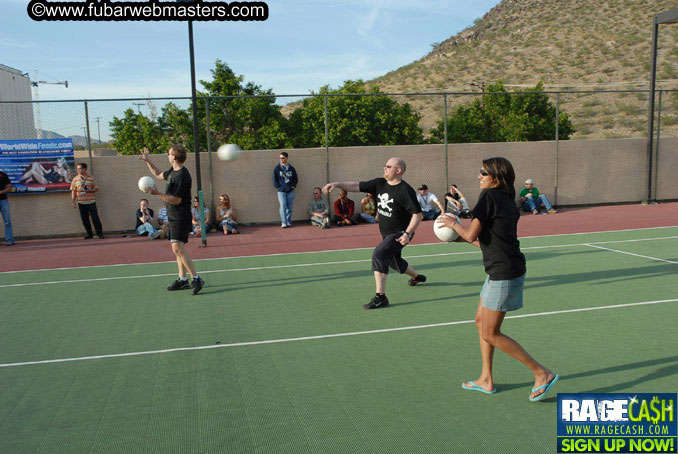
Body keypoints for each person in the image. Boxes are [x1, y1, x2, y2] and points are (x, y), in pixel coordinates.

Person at [437, 157, 558, 401]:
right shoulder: (507, 200)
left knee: (491, 333)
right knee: (480, 322)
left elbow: (471, 232)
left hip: (504, 272)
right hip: (502, 268)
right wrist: (458, 237)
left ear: (496, 177)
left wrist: (453, 224)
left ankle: (541, 372)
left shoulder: (489, 197)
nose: (479, 176)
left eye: (483, 172)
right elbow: (489, 239)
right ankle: (486, 379)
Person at [323, 157, 426, 310]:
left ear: (398, 171)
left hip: (400, 233)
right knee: (393, 260)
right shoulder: (379, 184)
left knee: (379, 254)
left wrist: (407, 233)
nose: (385, 167)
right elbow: (356, 185)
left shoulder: (406, 190)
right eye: (385, 165)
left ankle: (381, 297)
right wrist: (337, 184)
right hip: (388, 233)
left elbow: (418, 215)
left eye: (388, 166)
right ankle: (417, 277)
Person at [139, 145, 204, 295]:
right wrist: (147, 160)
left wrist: (155, 192)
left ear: (174, 157)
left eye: (169, 154)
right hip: (173, 215)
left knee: (177, 249)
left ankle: (196, 278)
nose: (167, 156)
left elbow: (176, 200)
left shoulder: (182, 175)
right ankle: (182, 279)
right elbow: (158, 174)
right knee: (177, 250)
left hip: (180, 216)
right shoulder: (172, 172)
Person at [70, 162, 104, 239]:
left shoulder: (91, 178)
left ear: (85, 169)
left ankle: (99, 233)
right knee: (84, 219)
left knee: (95, 218)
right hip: (81, 202)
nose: (79, 170)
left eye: (80, 168)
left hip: (91, 201)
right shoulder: (75, 179)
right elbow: (73, 191)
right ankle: (89, 234)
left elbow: (96, 189)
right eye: (78, 168)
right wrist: (73, 201)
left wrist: (88, 190)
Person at [272, 151, 298, 228]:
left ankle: (288, 221)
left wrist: (293, 186)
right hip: (281, 191)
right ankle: (283, 222)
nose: (281, 159)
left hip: (290, 190)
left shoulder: (291, 168)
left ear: (286, 158)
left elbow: (295, 178)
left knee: (289, 207)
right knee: (283, 205)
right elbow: (274, 178)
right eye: (280, 158)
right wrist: (278, 186)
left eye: (282, 158)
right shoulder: (277, 168)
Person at [0, 170, 14, 246]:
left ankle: (9, 240)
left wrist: (1, 192)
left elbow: (9, 188)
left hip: (4, 201)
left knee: (7, 221)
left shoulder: (3, 175)